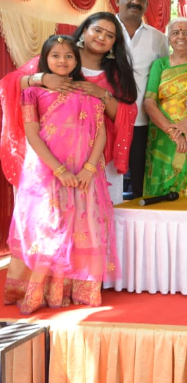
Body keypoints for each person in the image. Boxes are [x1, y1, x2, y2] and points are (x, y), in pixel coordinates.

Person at [4, 36, 117, 314]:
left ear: (76, 60)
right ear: (45, 59)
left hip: (84, 172)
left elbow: (100, 133)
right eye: (55, 55)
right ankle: (39, 290)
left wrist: (89, 168)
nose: (62, 61)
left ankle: (71, 289)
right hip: (47, 171)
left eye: (68, 56)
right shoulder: (33, 92)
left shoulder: (88, 91)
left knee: (79, 226)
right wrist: (59, 170)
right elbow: (32, 134)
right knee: (48, 227)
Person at [0, 12, 138, 204]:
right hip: (52, 155)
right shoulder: (61, 57)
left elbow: (126, 114)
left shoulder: (117, 73)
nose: (101, 37)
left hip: (96, 157)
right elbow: (9, 83)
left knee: (94, 212)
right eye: (97, 30)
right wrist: (42, 78)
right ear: (84, 31)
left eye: (109, 35)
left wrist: (102, 94)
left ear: (115, 43)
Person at [114, 0, 169, 199]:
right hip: (106, 117)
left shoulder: (158, 38)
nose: (135, 2)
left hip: (141, 120)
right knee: (107, 177)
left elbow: (165, 77)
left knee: (139, 179)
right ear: (117, 0)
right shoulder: (102, 29)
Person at [142, 18, 187, 197]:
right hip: (162, 133)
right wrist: (173, 132)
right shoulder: (160, 65)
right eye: (175, 33)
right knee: (161, 181)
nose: (181, 37)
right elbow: (149, 102)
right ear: (169, 39)